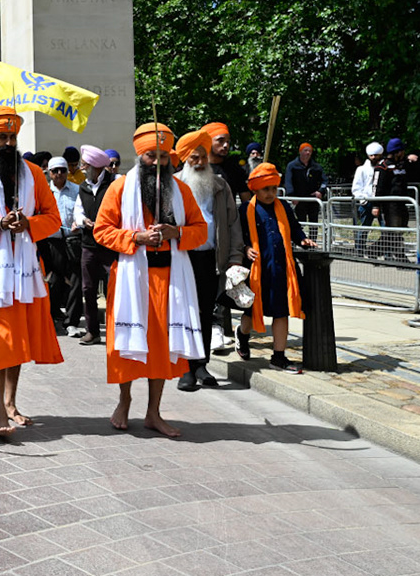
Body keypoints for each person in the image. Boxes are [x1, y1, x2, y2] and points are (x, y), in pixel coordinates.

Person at [93, 124, 208, 435]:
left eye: (162, 156)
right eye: (149, 156)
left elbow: (201, 230)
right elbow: (101, 231)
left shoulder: (181, 191)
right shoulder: (119, 188)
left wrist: (177, 233)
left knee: (160, 348)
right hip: (132, 278)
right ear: (138, 156)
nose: (156, 163)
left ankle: (153, 412)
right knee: (130, 345)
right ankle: (124, 400)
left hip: (170, 280)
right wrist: (136, 236)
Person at [0, 108, 65, 439]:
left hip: (26, 268)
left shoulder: (33, 173)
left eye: (12, 137)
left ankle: (11, 402)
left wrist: (29, 223)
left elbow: (53, 218)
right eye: (1, 137)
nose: (7, 142)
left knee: (16, 340)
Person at [240, 163, 316, 370]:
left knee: (281, 312)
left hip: (281, 270)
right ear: (255, 189)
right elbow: (238, 237)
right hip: (257, 271)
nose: (270, 193)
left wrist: (303, 240)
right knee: (250, 313)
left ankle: (279, 356)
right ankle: (243, 336)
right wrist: (246, 248)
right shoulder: (246, 209)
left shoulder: (284, 207)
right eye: (266, 189)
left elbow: (295, 229)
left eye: (274, 188)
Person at [178, 131, 241, 376]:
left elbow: (232, 223)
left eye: (204, 157)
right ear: (185, 158)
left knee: (206, 311)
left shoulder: (219, 185)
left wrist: (235, 258)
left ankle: (201, 365)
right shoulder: (174, 185)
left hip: (210, 258)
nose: (201, 162)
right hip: (182, 258)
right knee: (184, 312)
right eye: (195, 157)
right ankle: (184, 367)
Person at [70, 145, 117, 344]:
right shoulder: (84, 186)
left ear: (95, 166)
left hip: (111, 245)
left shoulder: (115, 184)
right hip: (89, 244)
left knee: (113, 288)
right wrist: (83, 221)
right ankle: (93, 331)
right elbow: (78, 210)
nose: (82, 168)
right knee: (88, 289)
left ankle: (116, 330)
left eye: (85, 165)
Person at [42, 156, 81, 332]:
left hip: (73, 240)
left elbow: (82, 211)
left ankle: (72, 321)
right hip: (52, 241)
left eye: (62, 170)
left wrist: (79, 222)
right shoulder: (44, 191)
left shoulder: (77, 190)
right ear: (49, 173)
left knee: (75, 279)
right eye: (55, 171)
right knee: (54, 281)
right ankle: (50, 315)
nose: (59, 174)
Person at [350, 142, 382, 255]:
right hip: (366, 202)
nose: (374, 157)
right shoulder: (361, 169)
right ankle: (359, 251)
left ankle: (388, 252)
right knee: (364, 227)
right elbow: (356, 187)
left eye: (376, 155)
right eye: (371, 155)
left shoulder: (383, 168)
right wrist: (362, 199)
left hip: (381, 201)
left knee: (386, 228)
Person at [285, 142, 326, 225]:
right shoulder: (292, 166)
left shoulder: (316, 167)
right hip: (299, 199)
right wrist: (292, 196)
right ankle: (300, 238)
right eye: (305, 150)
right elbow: (288, 181)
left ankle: (313, 238)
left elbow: (324, 180)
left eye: (310, 151)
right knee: (300, 223)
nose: (308, 153)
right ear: (300, 152)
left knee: (314, 223)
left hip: (313, 199)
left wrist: (320, 191)